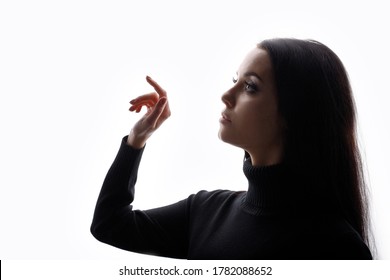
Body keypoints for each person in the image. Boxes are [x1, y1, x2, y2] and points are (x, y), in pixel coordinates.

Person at [90, 38, 373, 259]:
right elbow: (109, 224)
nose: (226, 95)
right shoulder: (206, 211)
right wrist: (136, 139)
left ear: (295, 113)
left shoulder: (336, 246)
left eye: (249, 86)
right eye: (234, 80)